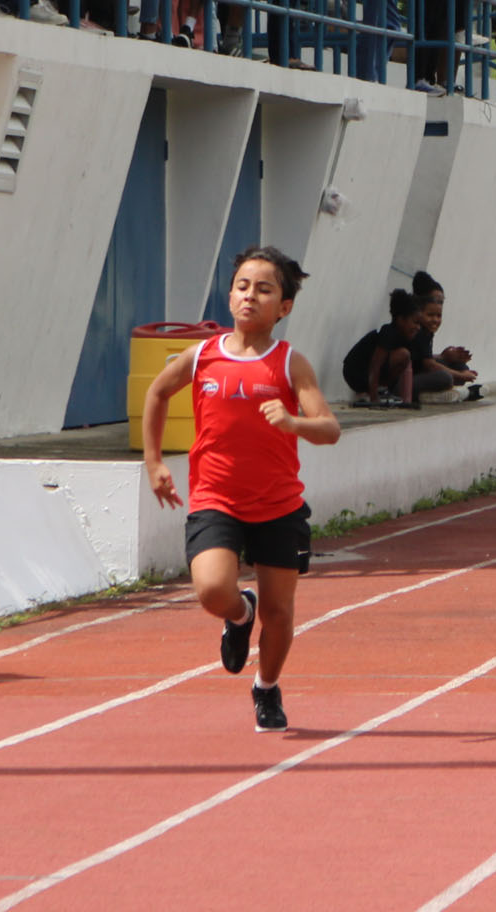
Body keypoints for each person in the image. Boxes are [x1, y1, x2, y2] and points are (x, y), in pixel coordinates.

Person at [142, 246, 341, 732]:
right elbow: (157, 392)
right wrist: (154, 464)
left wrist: (293, 421)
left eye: (265, 289)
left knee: (280, 612)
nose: (251, 296)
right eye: (243, 286)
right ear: (230, 295)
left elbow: (330, 429)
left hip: (278, 505)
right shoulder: (202, 355)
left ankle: (267, 688)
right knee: (212, 589)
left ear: (284, 307)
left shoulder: (290, 363)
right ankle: (238, 613)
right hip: (217, 499)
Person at [342, 288, 422, 406]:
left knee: (405, 356)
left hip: (367, 373)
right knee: (403, 355)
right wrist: (374, 399)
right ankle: (373, 392)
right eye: (415, 322)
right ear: (401, 320)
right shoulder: (388, 333)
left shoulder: (405, 337)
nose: (418, 327)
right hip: (355, 372)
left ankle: (380, 390)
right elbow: (375, 365)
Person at [411, 269, 483, 402]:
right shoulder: (417, 329)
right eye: (431, 314)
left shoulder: (427, 331)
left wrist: (445, 357)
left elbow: (421, 357)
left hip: (420, 372)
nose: (436, 319)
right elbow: (428, 364)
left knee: (459, 366)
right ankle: (428, 396)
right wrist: (460, 375)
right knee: (446, 377)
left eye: (441, 302)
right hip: (409, 381)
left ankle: (445, 391)